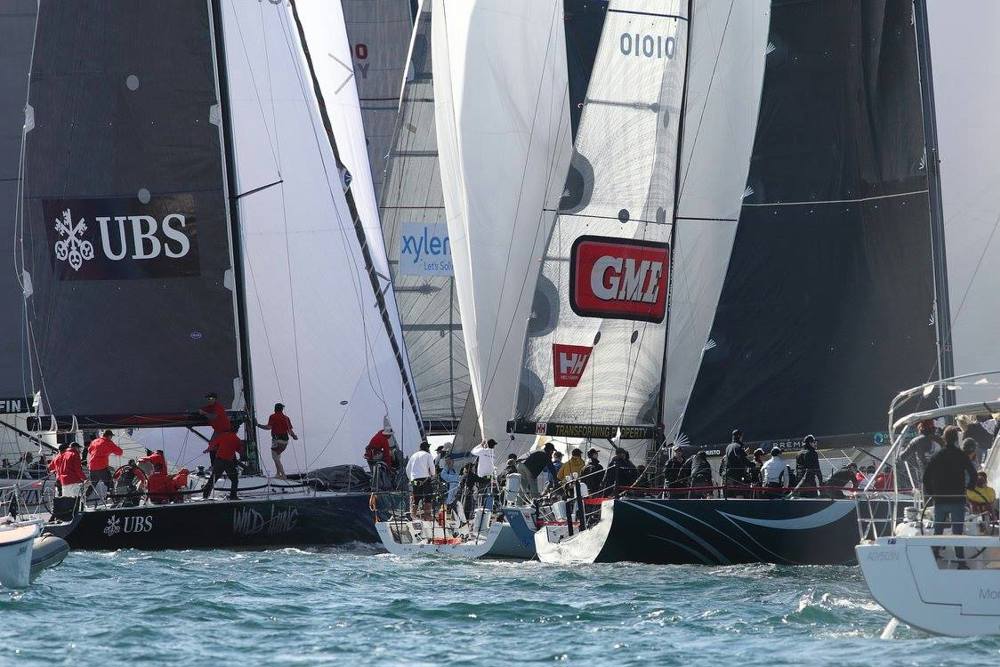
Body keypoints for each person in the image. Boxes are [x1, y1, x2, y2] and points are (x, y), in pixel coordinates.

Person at [923, 425, 977, 568]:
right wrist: (969, 487)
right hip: (957, 499)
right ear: (956, 438)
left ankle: (933, 558)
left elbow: (926, 477)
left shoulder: (937, 456)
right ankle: (960, 562)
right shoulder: (961, 455)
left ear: (944, 438)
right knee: (957, 532)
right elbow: (973, 474)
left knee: (938, 530)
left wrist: (931, 493)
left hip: (940, 499)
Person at [257, 403, 298, 480]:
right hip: (285, 442)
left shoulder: (272, 416)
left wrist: (258, 425)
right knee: (277, 457)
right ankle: (278, 474)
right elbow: (290, 431)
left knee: (275, 457)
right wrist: (294, 436)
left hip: (277, 440)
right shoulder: (286, 418)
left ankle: (283, 475)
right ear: (282, 409)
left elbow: (268, 427)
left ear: (275, 409)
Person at [202, 429, 244, 500]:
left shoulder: (222, 436)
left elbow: (213, 444)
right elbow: (240, 451)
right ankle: (233, 496)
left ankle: (205, 496)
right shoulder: (237, 439)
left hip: (219, 461)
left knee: (213, 478)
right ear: (236, 431)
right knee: (234, 480)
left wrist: (207, 450)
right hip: (228, 462)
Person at [898, 420, 941, 489]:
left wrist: (900, 450)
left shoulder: (916, 441)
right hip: (941, 477)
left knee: (927, 497)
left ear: (920, 428)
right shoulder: (940, 440)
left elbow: (903, 456)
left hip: (925, 477)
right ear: (933, 428)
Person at [87, 430, 123, 499]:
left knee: (92, 485)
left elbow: (89, 450)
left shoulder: (95, 441)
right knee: (110, 483)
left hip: (92, 467)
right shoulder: (108, 442)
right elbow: (120, 452)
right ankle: (113, 499)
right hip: (102, 467)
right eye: (111, 436)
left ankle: (83, 499)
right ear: (109, 436)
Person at [405, 441, 435, 520]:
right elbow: (432, 468)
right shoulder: (428, 455)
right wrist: (433, 475)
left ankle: (413, 515)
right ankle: (427, 516)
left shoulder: (413, 456)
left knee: (416, 498)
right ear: (427, 448)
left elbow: (407, 469)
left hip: (415, 480)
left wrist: (411, 479)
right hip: (425, 480)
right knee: (428, 497)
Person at [199, 392, 232, 463]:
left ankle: (215, 465)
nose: (209, 400)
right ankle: (216, 465)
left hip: (223, 431)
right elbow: (204, 409)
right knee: (214, 446)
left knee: (214, 446)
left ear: (215, 399)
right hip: (218, 430)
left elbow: (213, 417)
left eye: (211, 398)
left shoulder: (218, 407)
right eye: (208, 399)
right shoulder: (211, 406)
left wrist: (204, 413)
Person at [720, 429, 752, 497]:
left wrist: (744, 453)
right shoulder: (737, 446)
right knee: (740, 496)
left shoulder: (728, 446)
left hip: (728, 476)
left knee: (729, 497)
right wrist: (752, 464)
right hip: (736, 476)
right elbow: (741, 458)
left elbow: (734, 457)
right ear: (739, 436)